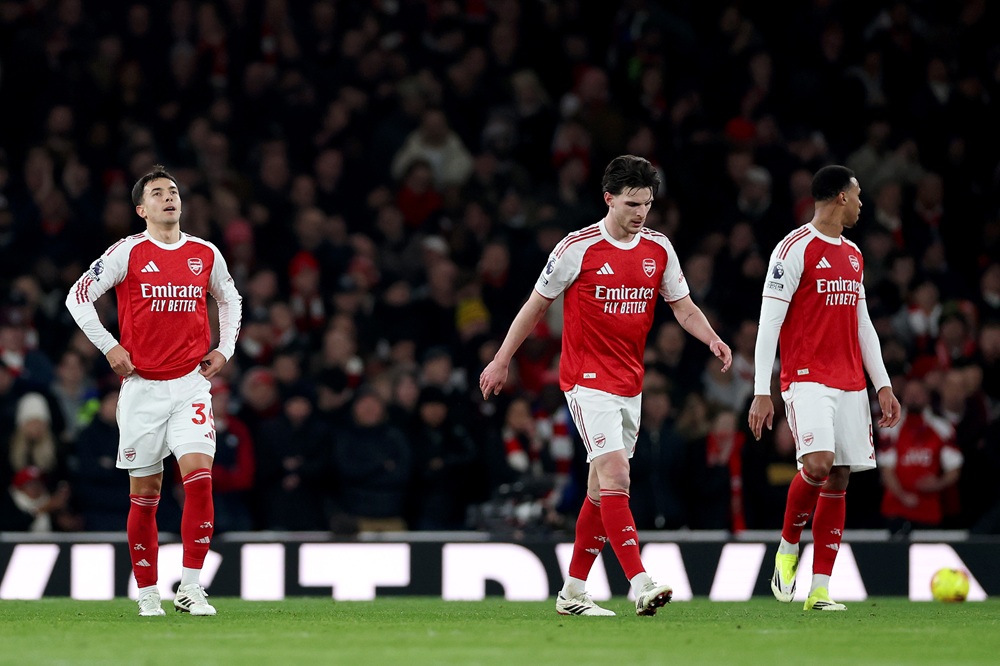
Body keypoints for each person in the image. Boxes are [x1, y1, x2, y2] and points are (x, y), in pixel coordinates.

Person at [480, 155, 732, 617]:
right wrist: (501, 359)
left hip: (630, 382)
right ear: (608, 199)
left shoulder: (659, 248)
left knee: (600, 491)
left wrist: (712, 337)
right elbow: (536, 305)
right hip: (586, 379)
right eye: (632, 204)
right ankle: (641, 582)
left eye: (647, 204)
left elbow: (682, 306)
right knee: (617, 476)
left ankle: (573, 592)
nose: (641, 213)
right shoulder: (577, 248)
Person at [65, 165, 242, 617]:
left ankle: (191, 587)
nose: (169, 197)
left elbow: (230, 298)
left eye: (173, 190)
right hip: (142, 389)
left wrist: (224, 348)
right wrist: (109, 346)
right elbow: (77, 297)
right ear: (141, 209)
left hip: (190, 385)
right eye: (157, 192)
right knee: (146, 495)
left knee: (199, 480)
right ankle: (147, 592)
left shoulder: (205, 253)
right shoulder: (127, 252)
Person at [748, 164, 900, 612]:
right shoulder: (793, 248)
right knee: (818, 463)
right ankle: (787, 546)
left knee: (839, 476)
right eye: (858, 195)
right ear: (840, 197)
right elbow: (769, 322)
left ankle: (820, 590)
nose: (861, 204)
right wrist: (761, 390)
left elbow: (862, 324)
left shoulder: (853, 255)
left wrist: (883, 384)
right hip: (807, 378)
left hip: (851, 381)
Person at [878, 377, 963, 536]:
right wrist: (903, 496)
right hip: (895, 510)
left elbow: (954, 468)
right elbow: (886, 469)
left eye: (918, 393)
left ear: (927, 396)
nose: (913, 397)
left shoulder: (943, 428)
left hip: (929, 511)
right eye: (909, 393)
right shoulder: (890, 428)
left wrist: (938, 484)